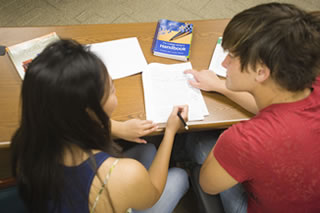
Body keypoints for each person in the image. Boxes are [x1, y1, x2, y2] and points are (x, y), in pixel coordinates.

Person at [11, 39, 189, 213]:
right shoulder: (122, 175)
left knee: (148, 150)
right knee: (180, 177)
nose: (115, 91)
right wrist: (171, 132)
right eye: (111, 89)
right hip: (115, 194)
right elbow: (154, 194)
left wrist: (118, 128)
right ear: (89, 111)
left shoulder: (27, 138)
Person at [184, 3, 320, 213]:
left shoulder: (246, 140)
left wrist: (231, 139)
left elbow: (207, 185)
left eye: (232, 56)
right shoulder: (312, 82)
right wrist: (219, 86)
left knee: (198, 142)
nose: (224, 64)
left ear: (261, 72)